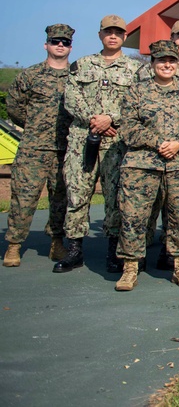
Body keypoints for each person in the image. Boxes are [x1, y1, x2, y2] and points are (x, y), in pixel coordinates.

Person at [114, 40, 179, 291]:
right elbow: (128, 127)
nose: (167, 65)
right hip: (141, 166)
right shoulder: (136, 91)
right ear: (152, 63)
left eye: (171, 61)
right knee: (133, 217)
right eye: (161, 60)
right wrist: (157, 142)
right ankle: (130, 268)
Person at [56, 15, 142, 274]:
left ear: (125, 37)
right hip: (82, 139)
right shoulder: (82, 65)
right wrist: (94, 119)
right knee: (77, 194)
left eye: (118, 32)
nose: (112, 36)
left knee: (115, 197)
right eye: (108, 32)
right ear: (100, 35)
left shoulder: (135, 69)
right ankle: (74, 250)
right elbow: (71, 98)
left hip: (115, 142)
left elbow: (137, 102)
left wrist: (110, 118)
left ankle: (114, 251)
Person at [3, 24, 74, 268]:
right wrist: (33, 126)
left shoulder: (76, 76)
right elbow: (14, 105)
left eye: (65, 42)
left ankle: (56, 242)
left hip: (65, 149)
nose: (60, 45)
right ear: (46, 45)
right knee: (24, 199)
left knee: (60, 200)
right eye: (56, 41)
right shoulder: (30, 75)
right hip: (33, 149)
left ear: (70, 47)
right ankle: (14, 245)